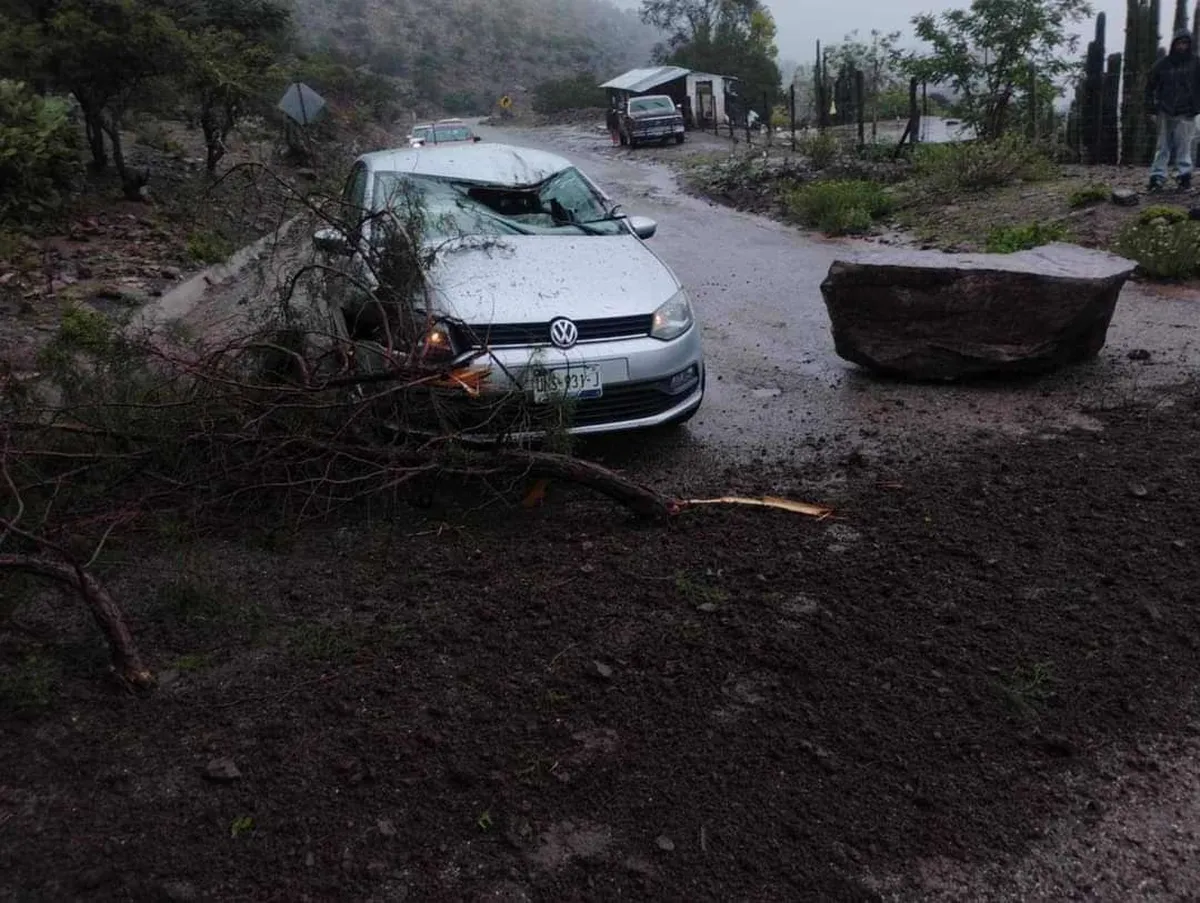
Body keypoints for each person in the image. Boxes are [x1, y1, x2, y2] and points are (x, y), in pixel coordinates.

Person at [1145, 27, 1200, 191]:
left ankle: (1183, 177)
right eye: (1179, 43)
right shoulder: (1163, 64)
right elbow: (1149, 86)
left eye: (1185, 43)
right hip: (1165, 110)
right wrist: (1151, 109)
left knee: (1184, 145)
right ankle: (1157, 177)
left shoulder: (1196, 63)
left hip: (1187, 111)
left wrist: (1196, 107)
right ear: (1174, 44)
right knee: (1163, 146)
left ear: (1189, 45)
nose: (1182, 46)